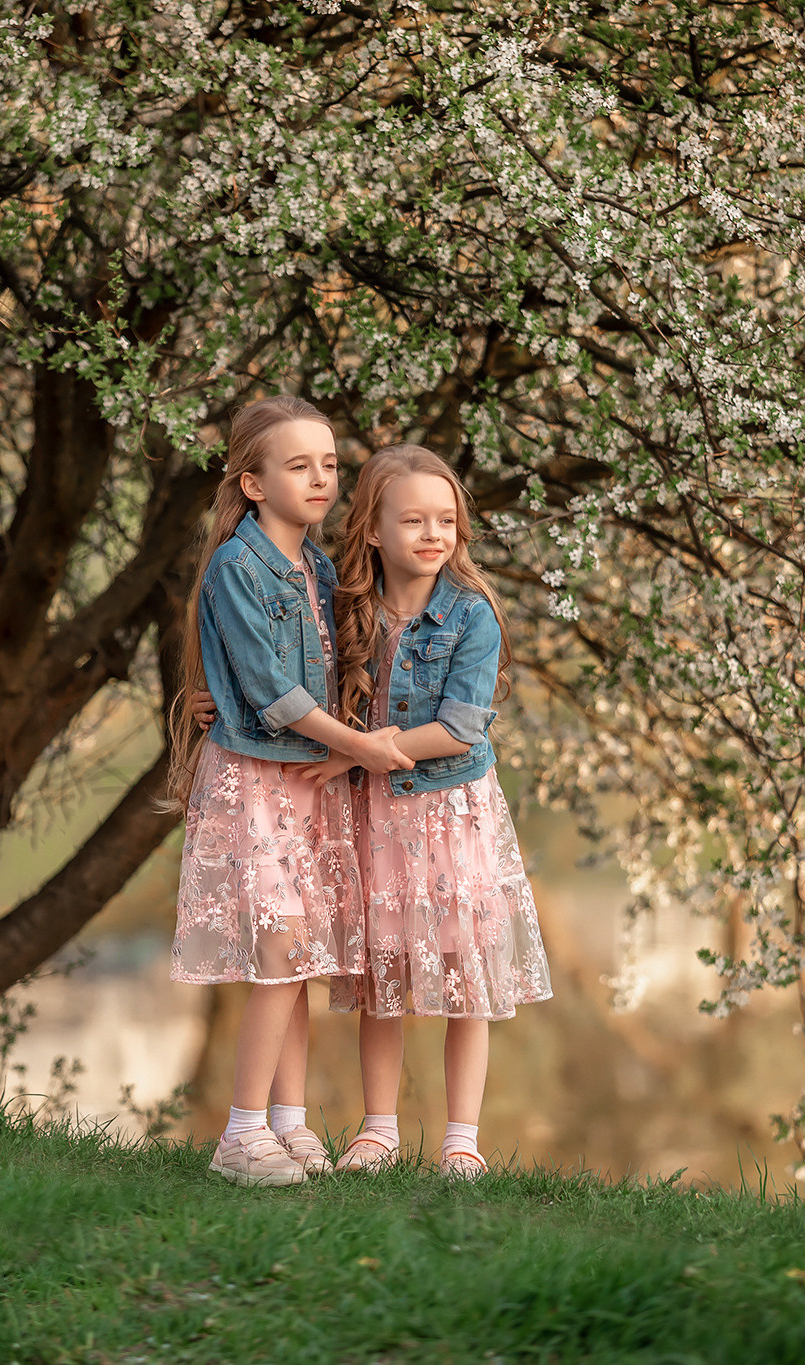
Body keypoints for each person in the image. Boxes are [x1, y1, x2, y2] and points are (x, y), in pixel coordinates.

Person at [167, 396, 415, 1188]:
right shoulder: (239, 566)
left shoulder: (315, 565)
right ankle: (239, 1134)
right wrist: (363, 749)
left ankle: (289, 1121)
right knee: (276, 950)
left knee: (296, 951)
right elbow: (274, 696)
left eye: (331, 464)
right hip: (256, 783)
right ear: (251, 482)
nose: (320, 479)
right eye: (299, 465)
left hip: (304, 785)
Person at [299, 444, 554, 1179]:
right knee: (385, 975)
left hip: (449, 817)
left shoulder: (472, 616)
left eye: (445, 519)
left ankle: (461, 1140)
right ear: (373, 530)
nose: (432, 533)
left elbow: (461, 727)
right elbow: (296, 684)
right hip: (376, 822)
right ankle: (378, 1131)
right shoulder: (349, 611)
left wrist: (355, 753)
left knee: (461, 976)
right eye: (413, 519)